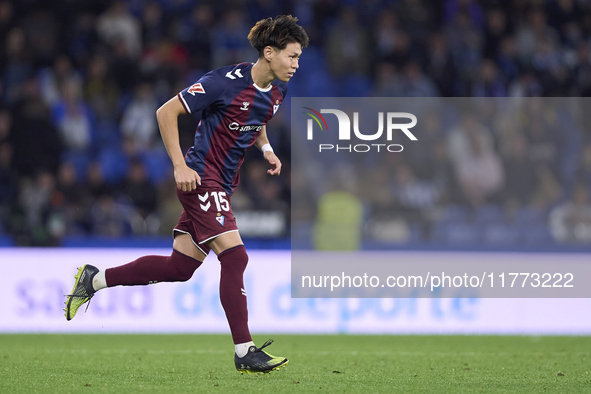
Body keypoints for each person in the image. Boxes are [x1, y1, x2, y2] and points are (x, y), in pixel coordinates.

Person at [64, 15, 308, 375]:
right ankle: (244, 350)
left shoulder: (277, 90)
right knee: (236, 258)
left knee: (179, 268)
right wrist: (179, 165)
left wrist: (267, 148)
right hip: (200, 179)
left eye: (300, 57)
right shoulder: (223, 82)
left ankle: (93, 279)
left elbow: (257, 121)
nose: (297, 64)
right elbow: (166, 112)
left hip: (223, 183)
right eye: (292, 56)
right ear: (269, 53)